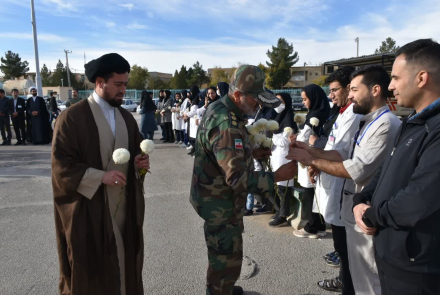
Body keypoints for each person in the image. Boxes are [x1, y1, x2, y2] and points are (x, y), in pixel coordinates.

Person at [288, 65, 401, 295]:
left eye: (354, 89)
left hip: (367, 213)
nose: (350, 95)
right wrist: (309, 150)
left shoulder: (386, 123)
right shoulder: (367, 121)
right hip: (352, 210)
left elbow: (356, 169)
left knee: (368, 282)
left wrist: (311, 160)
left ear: (375, 90)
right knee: (355, 276)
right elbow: (341, 154)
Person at [190, 65, 298, 295]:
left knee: (225, 254)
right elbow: (237, 179)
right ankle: (220, 290)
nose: (258, 106)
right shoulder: (227, 123)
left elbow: (220, 154)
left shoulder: (222, 109)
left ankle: (224, 287)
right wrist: (277, 176)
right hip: (220, 203)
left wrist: (250, 153)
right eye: (255, 101)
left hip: (215, 198)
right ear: (238, 95)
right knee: (225, 256)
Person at [52, 53, 148, 295]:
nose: (123, 90)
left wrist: (140, 162)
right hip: (89, 209)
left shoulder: (126, 118)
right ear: (99, 82)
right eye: (118, 84)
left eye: (125, 84)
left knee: (124, 261)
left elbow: (136, 155)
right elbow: (61, 166)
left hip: (123, 206)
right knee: (91, 269)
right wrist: (99, 177)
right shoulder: (72, 118)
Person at [352, 39, 440, 295]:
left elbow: (420, 197)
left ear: (421, 78)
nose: (390, 87)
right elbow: (386, 169)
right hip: (394, 253)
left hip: (418, 266)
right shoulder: (412, 121)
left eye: (396, 78)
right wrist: (362, 198)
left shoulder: (434, 128)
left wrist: (372, 215)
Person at [296, 67, 359, 294]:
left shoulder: (353, 114)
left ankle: (346, 284)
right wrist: (315, 160)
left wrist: (313, 158)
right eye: (329, 91)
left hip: (344, 184)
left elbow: (340, 153)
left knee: (345, 245)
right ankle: (344, 280)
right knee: (341, 243)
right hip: (332, 179)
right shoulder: (341, 112)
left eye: (334, 90)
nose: (331, 95)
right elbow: (332, 146)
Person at [292, 84, 330, 238]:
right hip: (316, 155)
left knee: (312, 191)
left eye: (305, 99)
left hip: (313, 157)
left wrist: (295, 139)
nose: (303, 103)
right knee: (315, 191)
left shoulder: (315, 114)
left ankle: (312, 226)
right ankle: (318, 224)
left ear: (313, 98)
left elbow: (303, 137)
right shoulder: (325, 111)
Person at [268, 92, 298, 226]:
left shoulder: (289, 117)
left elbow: (286, 142)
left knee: (283, 188)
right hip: (276, 155)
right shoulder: (278, 117)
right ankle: (280, 211)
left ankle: (283, 215)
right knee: (279, 186)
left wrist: (271, 139)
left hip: (284, 157)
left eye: (280, 101)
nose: (278, 104)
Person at [185, 85, 200, 156]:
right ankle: (193, 149)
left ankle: (196, 150)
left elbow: (194, 110)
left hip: (195, 118)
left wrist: (187, 115)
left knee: (195, 135)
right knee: (193, 135)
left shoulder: (197, 98)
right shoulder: (194, 98)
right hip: (192, 119)